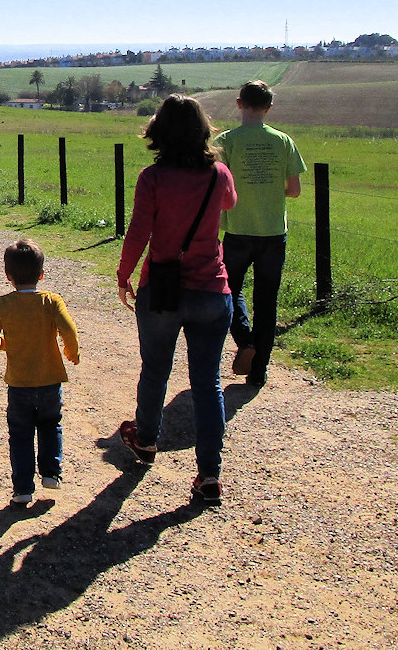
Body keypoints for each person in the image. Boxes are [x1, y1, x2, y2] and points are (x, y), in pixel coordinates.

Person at [116, 95, 238, 505]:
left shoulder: (152, 178)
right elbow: (229, 204)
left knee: (156, 370)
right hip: (210, 290)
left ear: (159, 132)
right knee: (208, 384)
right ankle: (209, 475)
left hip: (163, 288)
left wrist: (124, 274)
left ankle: (147, 440)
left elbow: (138, 233)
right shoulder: (219, 174)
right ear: (203, 129)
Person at [216, 80, 306, 387]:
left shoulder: (225, 142)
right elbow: (294, 191)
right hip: (272, 233)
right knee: (267, 301)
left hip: (238, 232)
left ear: (239, 104)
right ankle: (259, 370)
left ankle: (245, 341)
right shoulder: (283, 141)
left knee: (227, 291)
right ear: (269, 108)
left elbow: (217, 190)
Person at [0, 239, 80, 508]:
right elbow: (69, 330)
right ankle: (51, 473)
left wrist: (2, 345)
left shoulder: (3, 304)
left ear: (8, 276)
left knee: (21, 434)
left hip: (19, 382)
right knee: (51, 425)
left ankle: (23, 489)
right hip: (50, 379)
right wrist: (72, 352)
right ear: (41, 275)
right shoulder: (51, 301)